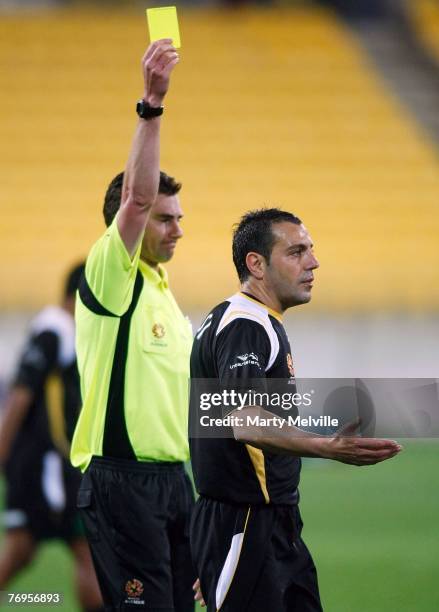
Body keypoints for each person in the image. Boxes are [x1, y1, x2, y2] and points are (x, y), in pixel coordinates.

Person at [189, 208, 402, 611]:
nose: (313, 262)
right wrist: (327, 447)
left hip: (266, 525)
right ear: (257, 264)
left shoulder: (244, 319)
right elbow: (244, 420)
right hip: (246, 524)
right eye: (296, 252)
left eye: (311, 250)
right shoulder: (245, 325)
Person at [70, 40, 195, 611]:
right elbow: (138, 199)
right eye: (164, 219)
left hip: (174, 481)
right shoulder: (110, 272)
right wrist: (151, 103)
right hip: (122, 482)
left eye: (179, 219)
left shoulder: (167, 297)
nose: (176, 229)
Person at [0, 262, 103, 612]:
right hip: (46, 467)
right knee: (80, 548)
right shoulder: (55, 331)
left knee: (29, 551)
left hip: (52, 466)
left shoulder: (62, 332)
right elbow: (20, 394)